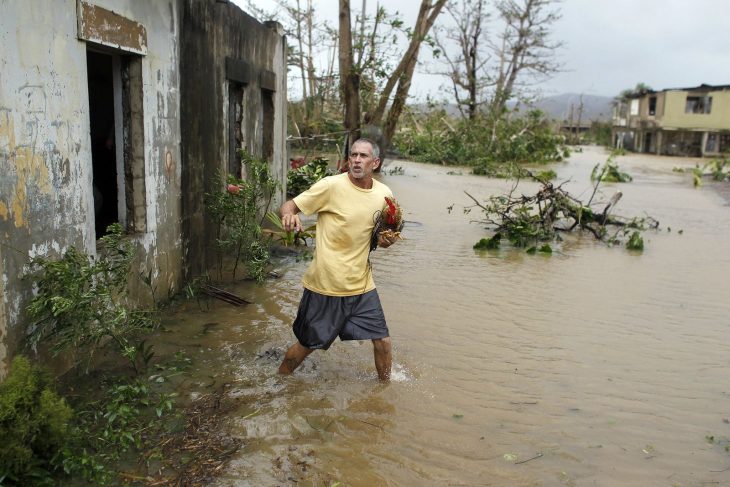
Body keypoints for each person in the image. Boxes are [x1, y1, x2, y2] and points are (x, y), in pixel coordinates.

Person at [278, 138, 400, 381]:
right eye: (353, 155)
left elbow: (388, 232)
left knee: (383, 342)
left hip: (362, 285)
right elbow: (290, 205)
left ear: (375, 163)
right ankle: (279, 381)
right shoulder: (330, 186)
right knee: (307, 345)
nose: (356, 160)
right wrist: (289, 216)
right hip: (327, 285)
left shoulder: (384, 194)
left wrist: (389, 240)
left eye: (363, 156)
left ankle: (384, 391)